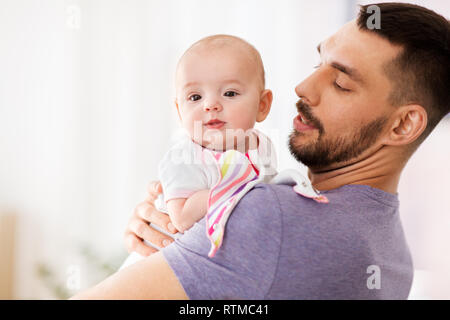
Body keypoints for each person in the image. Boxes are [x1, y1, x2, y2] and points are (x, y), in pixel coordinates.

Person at [71, 3, 450, 299]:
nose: (303, 86)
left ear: (403, 125)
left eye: (339, 82)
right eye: (318, 63)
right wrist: (176, 244)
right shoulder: (396, 259)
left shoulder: (267, 214)